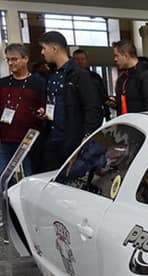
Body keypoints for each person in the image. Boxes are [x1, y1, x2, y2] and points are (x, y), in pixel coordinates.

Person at [36, 31, 102, 171]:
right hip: (52, 140)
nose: (42, 52)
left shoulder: (79, 75)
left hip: (72, 143)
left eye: (44, 48)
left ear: (54, 49)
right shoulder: (51, 75)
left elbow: (93, 108)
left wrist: (86, 138)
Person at [0, 43, 46, 175]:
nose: (10, 63)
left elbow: (45, 107)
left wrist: (42, 113)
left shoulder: (38, 82)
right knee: (2, 177)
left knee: (30, 176)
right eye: (8, 59)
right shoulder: (2, 83)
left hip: (28, 140)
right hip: (5, 138)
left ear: (25, 59)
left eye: (14, 59)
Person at [110, 40, 148, 115]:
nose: (115, 59)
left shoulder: (147, 75)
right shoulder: (123, 78)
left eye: (116, 56)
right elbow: (130, 102)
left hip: (142, 124)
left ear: (126, 56)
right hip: (128, 122)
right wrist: (116, 103)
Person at [72, 49, 109, 120]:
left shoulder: (96, 77)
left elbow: (103, 96)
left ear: (87, 60)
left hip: (95, 115)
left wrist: (107, 114)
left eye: (83, 59)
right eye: (77, 59)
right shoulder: (69, 78)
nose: (80, 62)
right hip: (77, 116)